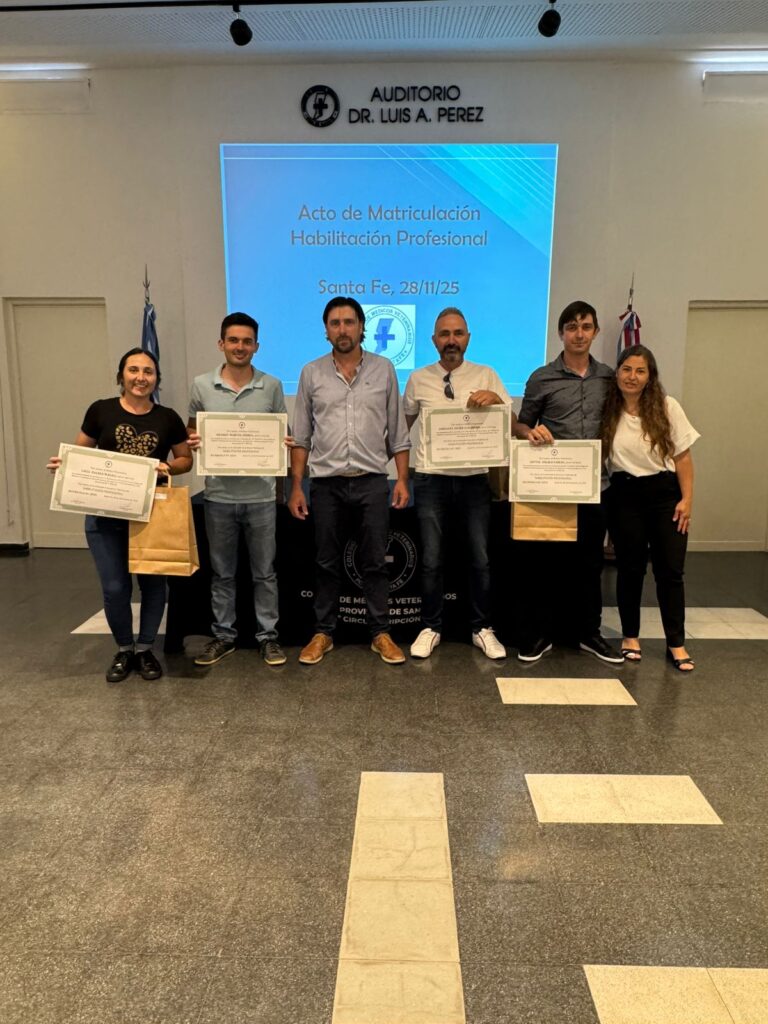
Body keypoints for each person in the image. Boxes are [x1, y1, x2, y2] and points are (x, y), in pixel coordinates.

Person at [47, 348, 191, 682]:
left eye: (148, 371)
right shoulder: (101, 410)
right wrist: (64, 466)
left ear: (156, 378)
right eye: (134, 370)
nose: (141, 377)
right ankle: (124, 649)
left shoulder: (168, 417)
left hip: (151, 515)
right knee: (114, 588)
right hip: (104, 516)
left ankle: (145, 649)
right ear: (121, 376)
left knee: (154, 586)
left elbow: (185, 459)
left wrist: (167, 466)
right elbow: (79, 453)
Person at [288, 296, 411, 665]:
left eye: (349, 322)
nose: (342, 329)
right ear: (326, 330)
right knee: (326, 561)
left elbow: (398, 432)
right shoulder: (311, 373)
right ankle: (323, 632)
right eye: (335, 323)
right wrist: (296, 486)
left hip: (373, 482)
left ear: (361, 327)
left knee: (374, 561)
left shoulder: (384, 369)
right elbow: (302, 436)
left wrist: (402, 479)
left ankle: (380, 633)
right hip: (326, 484)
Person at [514, 300, 623, 664]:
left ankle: (589, 633)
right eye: (572, 327)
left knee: (590, 565)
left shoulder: (609, 378)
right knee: (546, 565)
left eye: (586, 327)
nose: (579, 334)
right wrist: (530, 433)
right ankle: (541, 635)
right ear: (561, 333)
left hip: (596, 486)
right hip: (552, 488)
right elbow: (522, 425)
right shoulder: (541, 377)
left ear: (595, 332)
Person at [404, 307, 513, 659]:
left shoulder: (487, 375)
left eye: (458, 333)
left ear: (468, 338)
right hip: (430, 480)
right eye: (444, 334)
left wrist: (497, 401)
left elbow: (510, 423)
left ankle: (482, 628)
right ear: (434, 340)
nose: (451, 340)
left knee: (479, 557)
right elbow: (403, 428)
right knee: (431, 559)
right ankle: (430, 627)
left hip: (474, 481)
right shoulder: (418, 378)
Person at [188, 312, 288, 668]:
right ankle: (224, 636)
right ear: (221, 344)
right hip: (218, 497)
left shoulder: (272, 385)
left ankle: (268, 638)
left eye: (247, 341)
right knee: (222, 574)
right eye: (233, 340)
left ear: (256, 346)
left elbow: (282, 434)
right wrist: (193, 439)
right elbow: (191, 429)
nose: (240, 347)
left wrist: (282, 449)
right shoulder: (201, 385)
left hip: (261, 497)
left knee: (265, 574)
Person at [601, 344, 699, 671]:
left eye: (640, 371)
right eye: (626, 369)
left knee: (670, 571)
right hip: (624, 496)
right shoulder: (608, 410)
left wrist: (687, 500)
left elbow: (683, 457)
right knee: (630, 569)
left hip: (665, 496)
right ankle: (630, 637)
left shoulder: (668, 407)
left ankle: (676, 643)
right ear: (617, 373)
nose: (632, 376)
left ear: (650, 376)